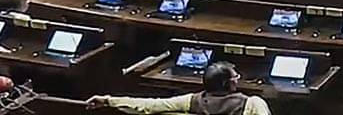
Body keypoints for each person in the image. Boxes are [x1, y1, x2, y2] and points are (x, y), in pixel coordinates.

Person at [87, 61, 270, 114]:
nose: (237, 80)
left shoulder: (193, 101)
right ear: (228, 84)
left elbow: (148, 106)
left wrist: (108, 100)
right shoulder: (253, 104)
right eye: (235, 78)